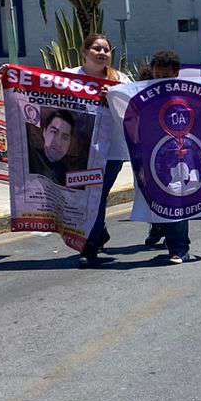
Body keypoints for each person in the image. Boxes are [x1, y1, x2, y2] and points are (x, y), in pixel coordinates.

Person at [66, 33, 125, 266]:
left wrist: (113, 98)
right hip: (79, 151)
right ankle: (98, 234)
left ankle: (89, 248)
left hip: (111, 152)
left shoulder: (120, 79)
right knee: (85, 197)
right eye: (96, 48)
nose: (102, 53)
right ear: (84, 52)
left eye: (106, 50)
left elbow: (133, 107)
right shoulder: (68, 77)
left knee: (97, 196)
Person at [140, 49, 195, 263]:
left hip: (178, 157)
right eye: (158, 75)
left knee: (177, 201)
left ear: (175, 74)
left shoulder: (186, 94)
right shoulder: (141, 94)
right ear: (152, 72)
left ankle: (179, 248)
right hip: (152, 158)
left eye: (167, 76)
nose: (161, 79)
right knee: (159, 202)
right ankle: (159, 230)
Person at [27, 108, 78, 183]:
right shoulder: (29, 157)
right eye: (54, 132)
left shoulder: (68, 176)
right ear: (44, 132)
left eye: (65, 137)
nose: (58, 142)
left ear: (70, 142)